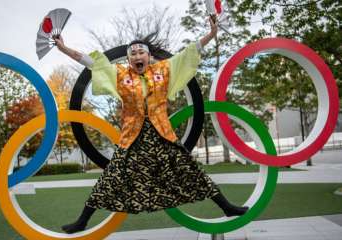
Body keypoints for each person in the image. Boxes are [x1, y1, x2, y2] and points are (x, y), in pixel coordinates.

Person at [53, 16, 248, 234]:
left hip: (162, 135)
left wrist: (211, 35)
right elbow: (90, 61)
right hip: (132, 138)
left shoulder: (163, 70)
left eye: (141, 53)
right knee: (112, 177)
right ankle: (82, 221)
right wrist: (63, 48)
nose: (137, 56)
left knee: (191, 170)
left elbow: (189, 52)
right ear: (128, 60)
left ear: (149, 56)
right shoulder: (119, 74)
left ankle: (227, 207)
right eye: (133, 54)